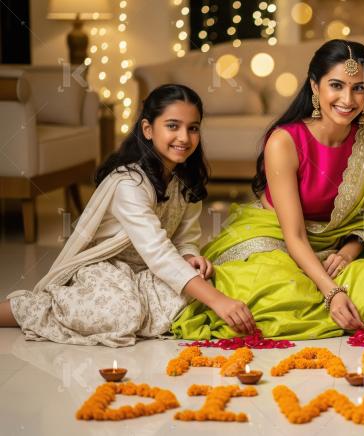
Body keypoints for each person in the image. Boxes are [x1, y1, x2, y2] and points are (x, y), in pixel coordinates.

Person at [171, 40, 364, 341]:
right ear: (314, 85)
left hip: (335, 247)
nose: (348, 99)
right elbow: (294, 236)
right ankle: (327, 307)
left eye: (359, 88)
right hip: (277, 241)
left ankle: (327, 306)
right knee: (276, 292)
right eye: (336, 85)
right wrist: (333, 293)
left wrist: (349, 253)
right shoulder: (285, 141)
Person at [0, 84, 256, 347]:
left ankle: (142, 303)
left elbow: (184, 239)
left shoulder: (185, 181)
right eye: (172, 126)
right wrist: (217, 300)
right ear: (148, 130)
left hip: (146, 271)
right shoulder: (129, 183)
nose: (184, 137)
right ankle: (33, 307)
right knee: (123, 314)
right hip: (104, 268)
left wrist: (190, 257)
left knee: (194, 294)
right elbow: (158, 252)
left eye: (193, 128)